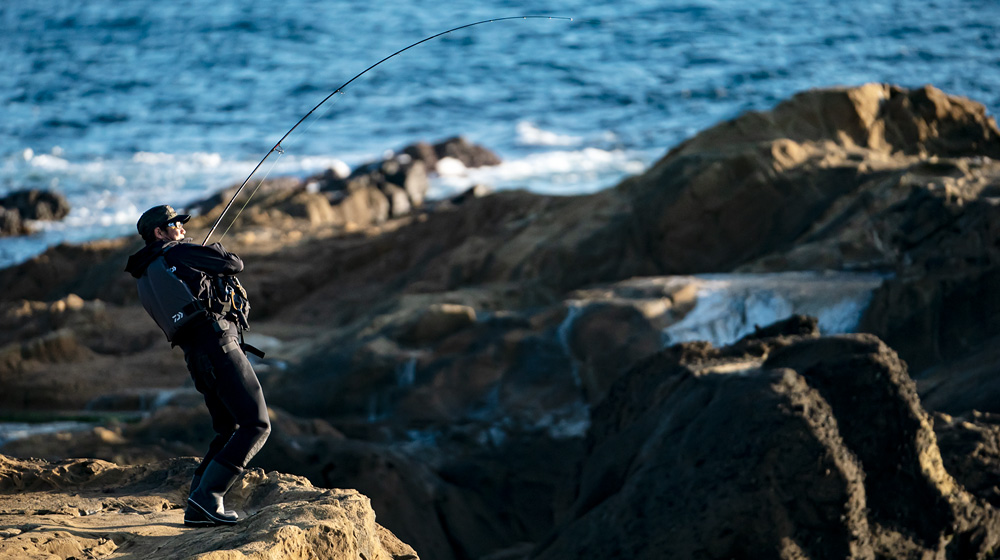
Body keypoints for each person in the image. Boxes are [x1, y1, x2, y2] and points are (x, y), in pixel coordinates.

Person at [124, 205, 270, 528]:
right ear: (159, 233)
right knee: (257, 424)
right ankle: (208, 498)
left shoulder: (148, 271)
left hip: (197, 359)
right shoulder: (176, 254)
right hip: (219, 349)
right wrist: (206, 250)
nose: (181, 227)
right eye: (173, 224)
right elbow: (233, 263)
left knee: (228, 428)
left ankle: (196, 504)